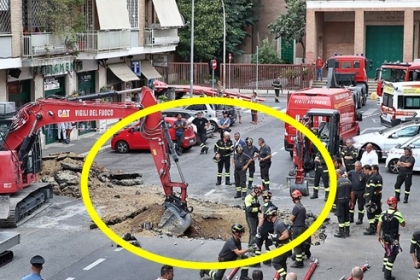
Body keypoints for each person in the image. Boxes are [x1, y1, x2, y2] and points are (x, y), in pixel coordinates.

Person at [377, 196, 405, 280]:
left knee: (387, 251)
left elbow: (379, 225)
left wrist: (379, 236)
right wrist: (399, 214)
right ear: (395, 204)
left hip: (385, 237)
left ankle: (384, 267)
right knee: (392, 254)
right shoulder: (397, 214)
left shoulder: (383, 213)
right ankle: (387, 274)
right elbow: (403, 224)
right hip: (394, 239)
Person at [264, 206, 292, 280]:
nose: (267, 218)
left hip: (284, 246)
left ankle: (285, 277)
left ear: (270, 216)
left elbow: (286, 235)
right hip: (284, 245)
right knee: (282, 262)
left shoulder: (278, 224)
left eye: (268, 217)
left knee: (275, 262)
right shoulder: (277, 222)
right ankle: (284, 277)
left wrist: (277, 239)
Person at [290, 190, 310, 268]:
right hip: (303, 227)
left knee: (296, 245)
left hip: (297, 228)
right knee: (301, 244)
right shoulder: (302, 206)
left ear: (293, 198)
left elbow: (291, 218)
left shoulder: (296, 207)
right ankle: (300, 257)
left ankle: (299, 262)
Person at [255, 191, 275, 266]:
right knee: (269, 244)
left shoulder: (264, 207)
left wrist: (258, 228)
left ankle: (256, 262)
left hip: (264, 228)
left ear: (263, 198)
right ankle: (268, 261)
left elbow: (262, 218)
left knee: (258, 244)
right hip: (271, 228)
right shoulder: (273, 206)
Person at [334, 169, 354, 238]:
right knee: (346, 216)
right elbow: (352, 193)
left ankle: (341, 232)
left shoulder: (337, 182)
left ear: (338, 174)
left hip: (340, 201)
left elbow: (334, 194)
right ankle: (347, 232)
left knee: (340, 216)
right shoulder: (349, 181)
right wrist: (352, 202)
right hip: (347, 200)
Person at [364, 164, 383, 236]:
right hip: (377, 198)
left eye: (372, 169)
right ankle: (376, 226)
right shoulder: (379, 177)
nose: (371, 171)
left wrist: (369, 200)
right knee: (377, 213)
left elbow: (371, 190)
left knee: (370, 213)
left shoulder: (372, 178)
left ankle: (372, 228)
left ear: (375, 170)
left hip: (372, 199)